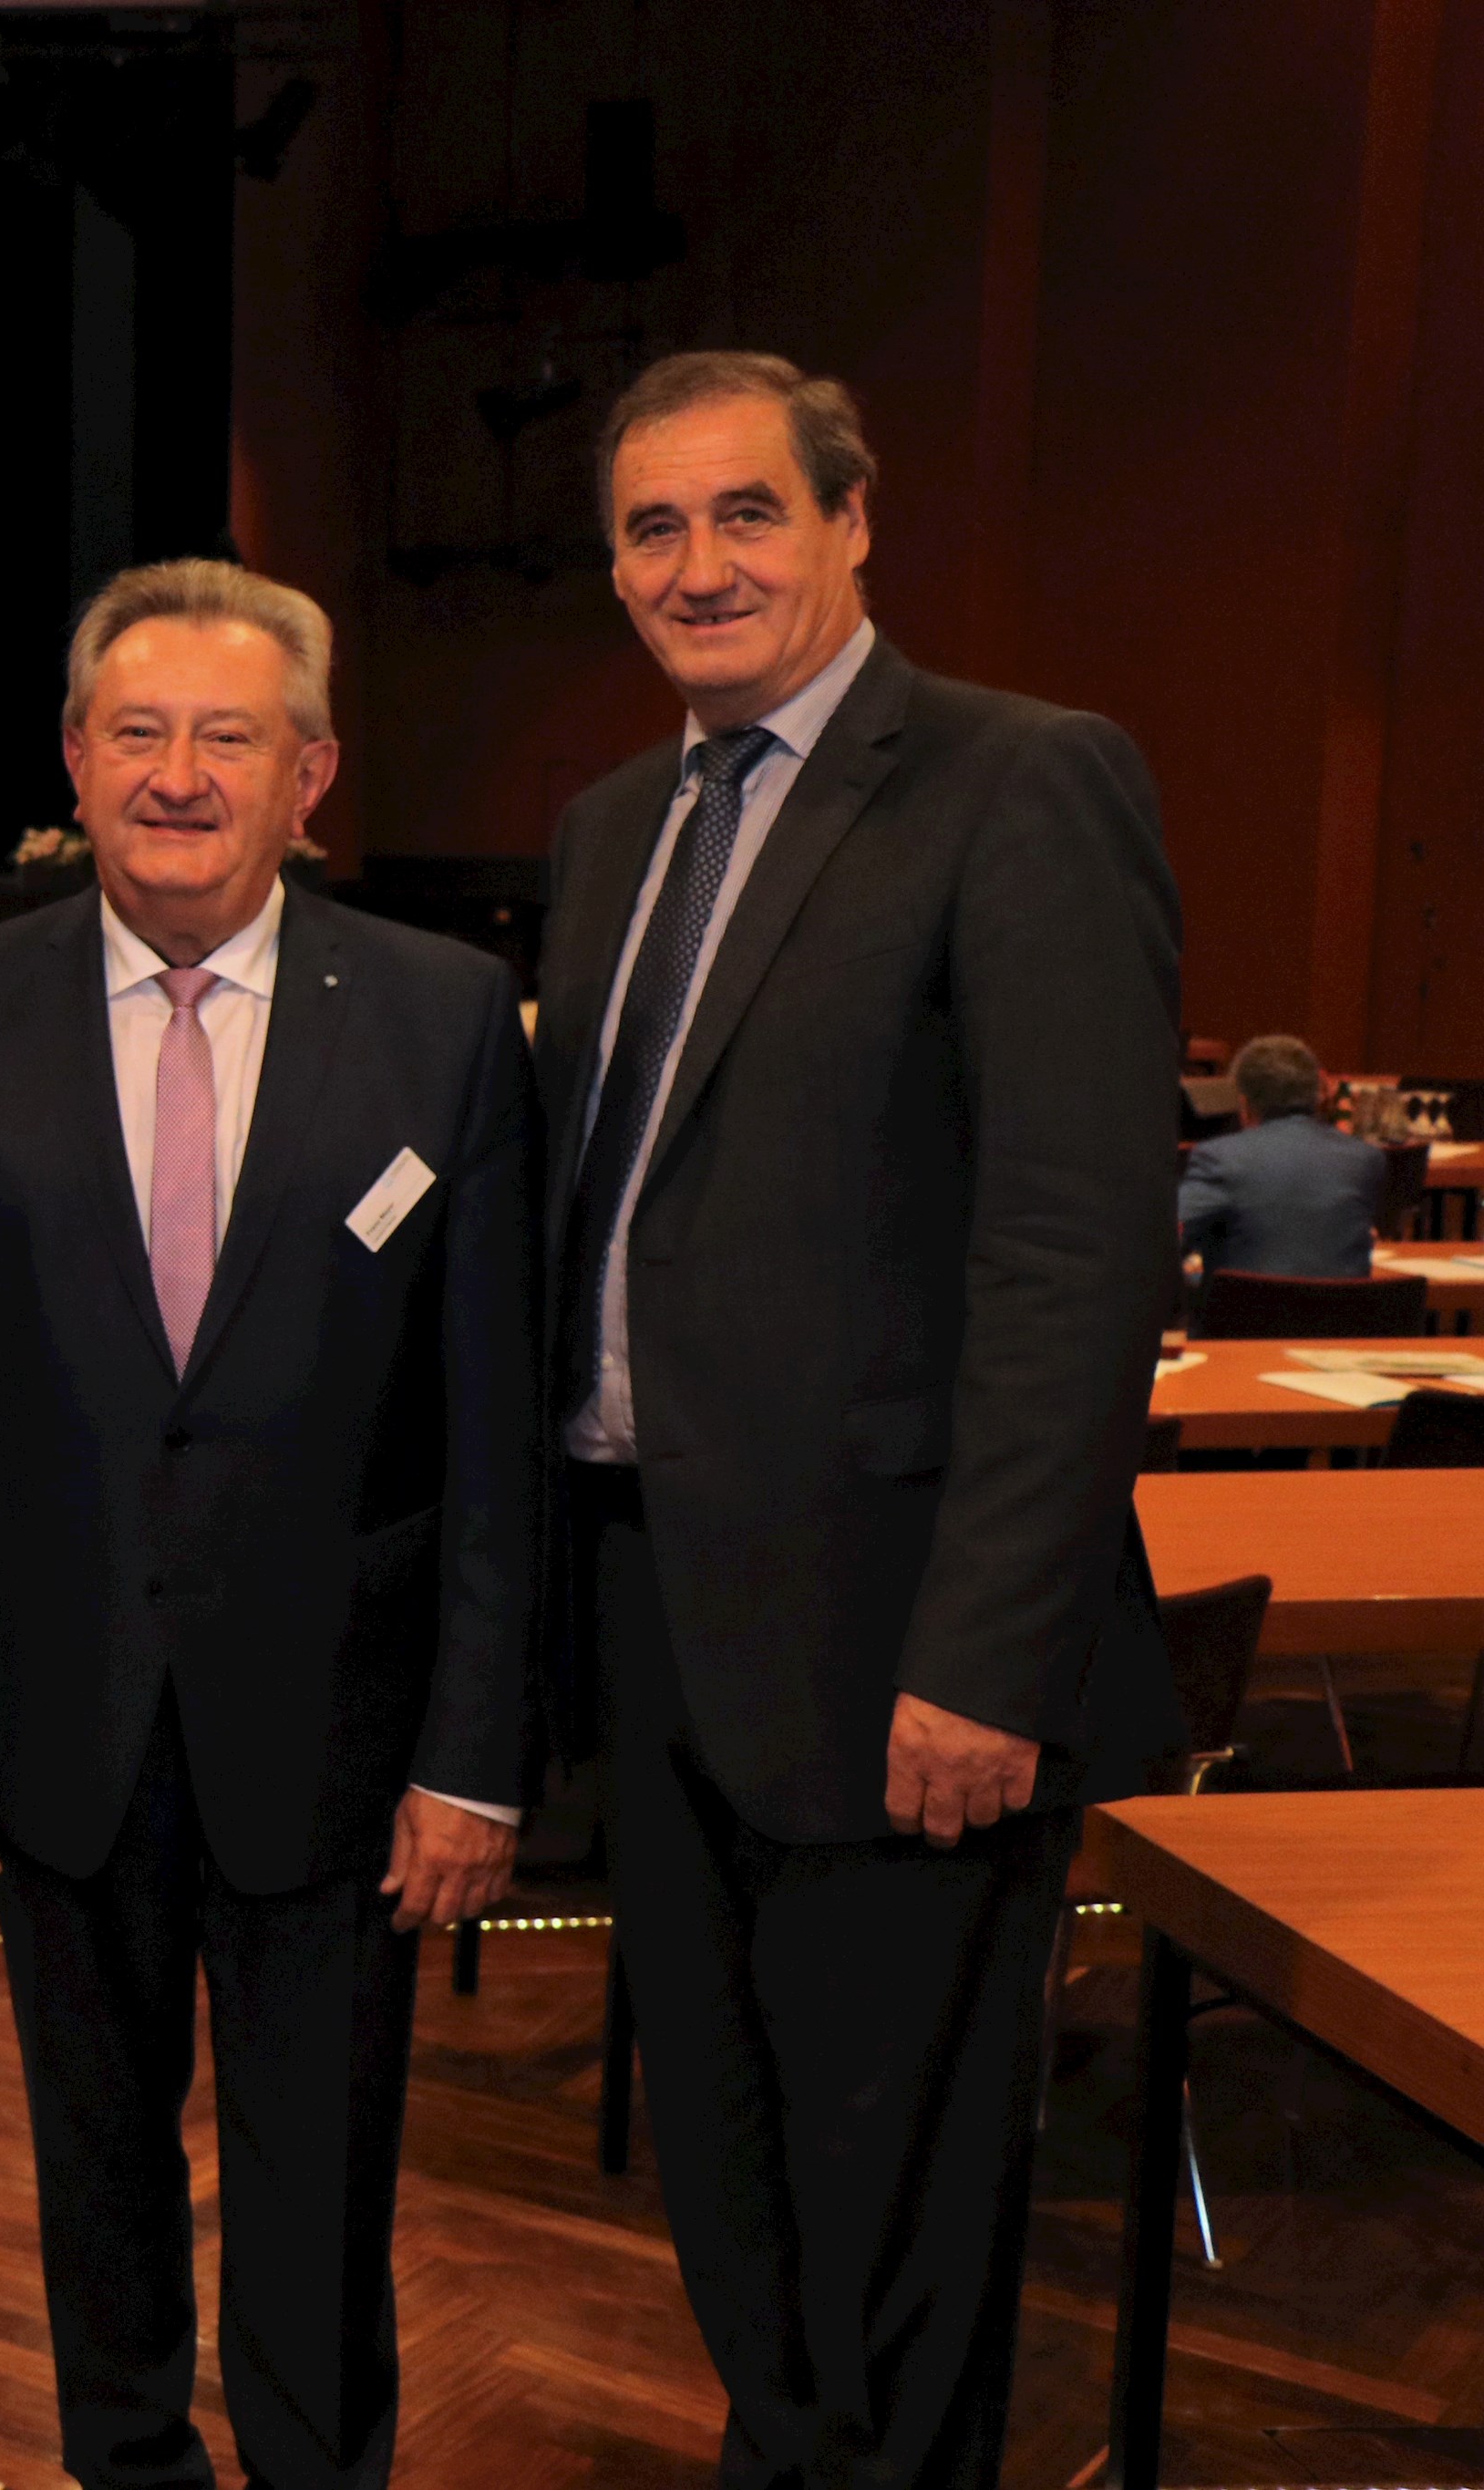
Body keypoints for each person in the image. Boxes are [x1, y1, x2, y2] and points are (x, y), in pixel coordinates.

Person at [535, 352, 1179, 2486]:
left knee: (898, 2210)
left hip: (905, 1643)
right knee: (729, 2191)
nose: (697, 565)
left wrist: (988, 1650)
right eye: (652, 527)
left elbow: (1076, 1259)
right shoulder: (615, 825)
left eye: (743, 514)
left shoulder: (1019, 783)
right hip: (660, 1616)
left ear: (850, 520)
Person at [0, 561, 534, 2490]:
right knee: (88, 2163)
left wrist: (474, 1756)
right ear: (74, 759)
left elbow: (488, 1415)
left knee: (321, 2179)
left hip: (340, 1731)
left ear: (309, 772)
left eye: (225, 738)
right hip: (53, 1709)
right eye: (137, 732)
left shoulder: (441, 1015)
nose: (177, 775)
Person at [1179, 1032, 1386, 1277]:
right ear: (1318, 1096)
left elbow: (1164, 1244)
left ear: (1243, 1104)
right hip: (1342, 1313)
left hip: (1246, 1313)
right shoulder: (1364, 1159)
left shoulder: (1218, 1159)